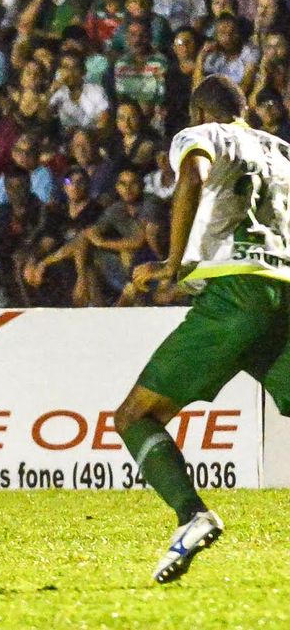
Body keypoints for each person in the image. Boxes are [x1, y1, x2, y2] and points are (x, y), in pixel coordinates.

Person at [115, 75, 290, 584]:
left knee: (134, 417)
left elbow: (192, 176)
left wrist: (173, 263)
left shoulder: (202, 135)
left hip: (235, 293)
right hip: (283, 290)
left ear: (197, 113)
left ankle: (191, 515)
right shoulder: (281, 150)